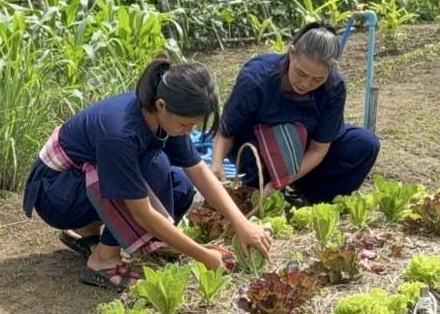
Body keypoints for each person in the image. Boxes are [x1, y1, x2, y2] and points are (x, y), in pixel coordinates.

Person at [23, 56, 270, 290]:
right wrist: (204, 256)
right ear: (161, 105)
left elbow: (198, 171)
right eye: (186, 125)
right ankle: (102, 259)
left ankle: (88, 232)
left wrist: (241, 223)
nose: (189, 131)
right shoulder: (120, 133)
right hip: (56, 195)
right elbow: (142, 213)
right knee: (155, 168)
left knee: (181, 186)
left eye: (193, 125)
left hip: (79, 183)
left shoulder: (164, 115)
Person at [211, 22, 381, 205]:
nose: (306, 84)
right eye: (301, 73)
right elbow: (227, 129)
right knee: (257, 167)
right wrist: (216, 163)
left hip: (304, 154)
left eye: (317, 79)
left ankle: (314, 200)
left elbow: (318, 149)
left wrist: (283, 181)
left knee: (365, 143)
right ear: (291, 52)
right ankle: (259, 190)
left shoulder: (334, 86)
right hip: (261, 150)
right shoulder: (256, 77)